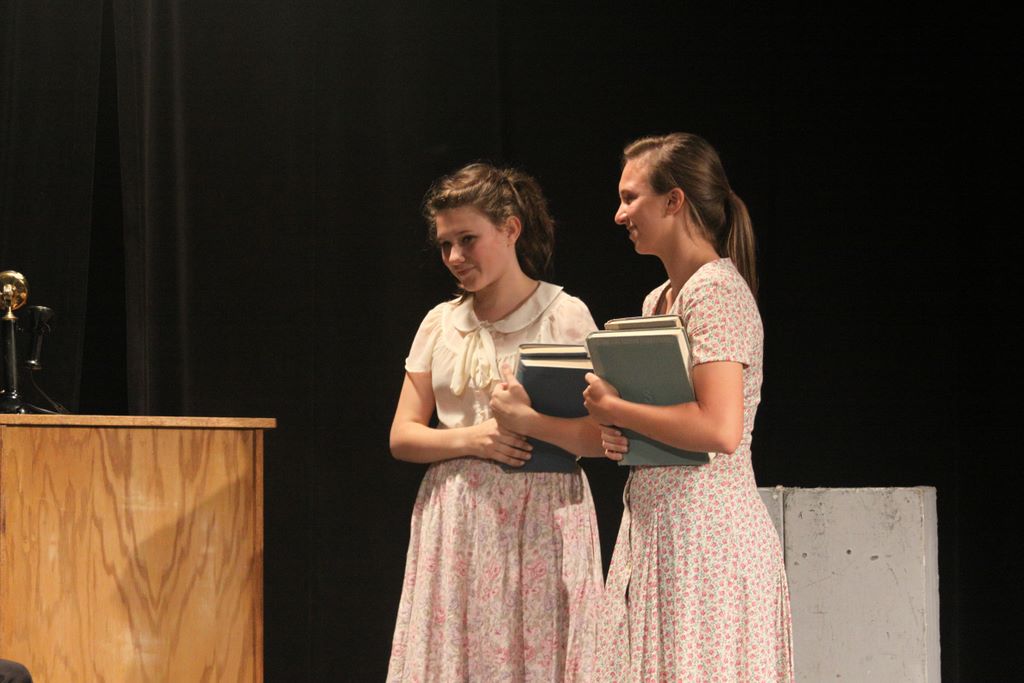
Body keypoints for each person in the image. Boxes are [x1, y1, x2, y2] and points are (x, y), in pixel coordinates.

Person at [583, 133, 794, 681]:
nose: (619, 214)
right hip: (660, 531)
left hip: (707, 539)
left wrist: (618, 408)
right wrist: (624, 436)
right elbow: (666, 416)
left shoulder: (716, 293)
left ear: (673, 201)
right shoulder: (659, 299)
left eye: (631, 198)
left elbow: (720, 429)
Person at [387, 162, 604, 682]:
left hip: (544, 513)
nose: (455, 257)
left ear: (510, 229)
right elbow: (403, 436)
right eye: (446, 245)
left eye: (468, 240)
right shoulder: (440, 324)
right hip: (457, 517)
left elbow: (602, 438)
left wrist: (530, 422)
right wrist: (475, 438)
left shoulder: (564, 315)